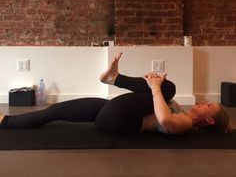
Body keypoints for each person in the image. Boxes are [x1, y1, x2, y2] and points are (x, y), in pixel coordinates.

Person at [0, 53, 231, 134]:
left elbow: (164, 120)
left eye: (208, 106)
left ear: (209, 120)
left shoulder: (186, 124)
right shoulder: (181, 109)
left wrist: (155, 88)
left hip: (120, 122)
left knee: (168, 88)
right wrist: (154, 87)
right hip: (108, 110)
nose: (202, 102)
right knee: (54, 111)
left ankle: (115, 79)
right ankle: (6, 121)